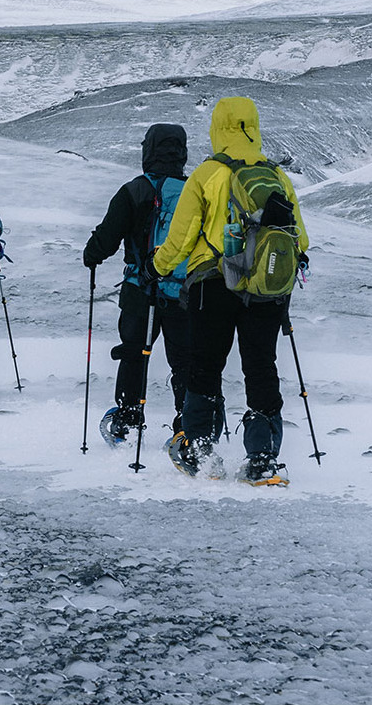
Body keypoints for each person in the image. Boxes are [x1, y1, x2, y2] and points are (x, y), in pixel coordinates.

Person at [153, 97, 310, 486]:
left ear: (217, 127)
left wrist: (158, 266)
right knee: (261, 366)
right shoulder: (275, 174)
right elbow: (300, 239)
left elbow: (183, 233)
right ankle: (262, 460)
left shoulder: (208, 173)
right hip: (265, 288)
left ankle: (201, 451)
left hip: (214, 284)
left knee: (205, 366)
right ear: (253, 126)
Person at [82, 123, 194, 442]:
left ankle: (128, 418)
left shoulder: (135, 190)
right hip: (183, 290)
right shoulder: (193, 191)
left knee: (135, 352)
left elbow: (107, 237)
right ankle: (188, 421)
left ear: (149, 151)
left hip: (139, 289)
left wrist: (92, 255)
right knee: (184, 359)